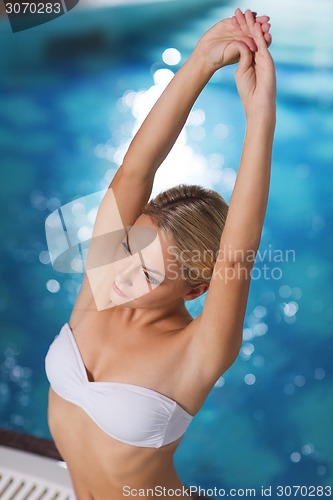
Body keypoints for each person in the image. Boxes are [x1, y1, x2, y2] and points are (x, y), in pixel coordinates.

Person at [45, 7, 276, 500]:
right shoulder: (100, 281)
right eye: (129, 246)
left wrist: (259, 116)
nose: (122, 274)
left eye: (149, 274)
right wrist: (200, 61)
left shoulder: (196, 352)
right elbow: (135, 170)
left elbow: (238, 250)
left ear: (195, 288)